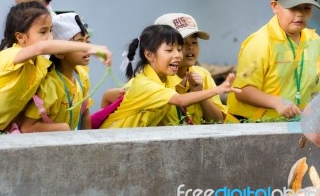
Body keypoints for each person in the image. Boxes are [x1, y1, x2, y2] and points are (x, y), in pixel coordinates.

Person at [0, 1, 112, 133]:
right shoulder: (10, 55)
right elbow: (40, 48)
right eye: (43, 32)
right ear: (21, 37)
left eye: (51, 30)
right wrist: (90, 47)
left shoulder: (41, 64)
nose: (50, 37)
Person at [226, 0, 320, 123]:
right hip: (249, 126)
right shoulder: (260, 42)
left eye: (306, 8)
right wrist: (276, 102)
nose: (300, 14)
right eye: (293, 8)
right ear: (275, 6)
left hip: (292, 125)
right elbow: (241, 91)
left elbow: (316, 85)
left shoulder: (315, 41)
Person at [100, 24, 239, 128]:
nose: (179, 54)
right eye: (169, 50)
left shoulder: (185, 76)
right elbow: (180, 100)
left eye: (179, 49)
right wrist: (219, 89)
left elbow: (219, 121)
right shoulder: (145, 83)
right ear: (149, 54)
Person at [20, 13, 94, 132]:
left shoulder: (82, 76)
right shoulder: (50, 85)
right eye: (78, 43)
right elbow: (26, 127)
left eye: (87, 42)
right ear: (59, 53)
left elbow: (84, 113)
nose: (87, 48)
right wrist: (62, 128)